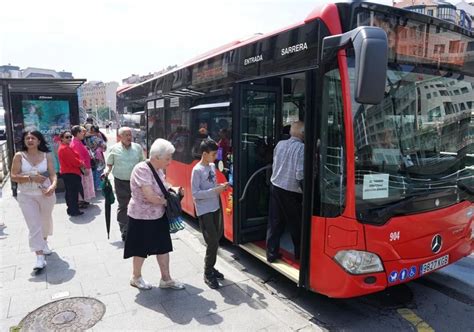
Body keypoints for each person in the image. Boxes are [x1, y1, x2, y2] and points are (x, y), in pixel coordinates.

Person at [124, 138, 185, 290]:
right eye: (168, 158)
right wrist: (168, 202)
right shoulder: (142, 169)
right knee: (140, 249)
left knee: (163, 247)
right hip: (141, 217)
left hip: (158, 215)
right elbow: (150, 196)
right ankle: (136, 277)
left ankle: (166, 279)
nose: (170, 162)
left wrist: (174, 192)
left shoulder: (158, 169)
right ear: (157, 157)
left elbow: (162, 187)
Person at [10, 130, 57, 270]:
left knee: (45, 221)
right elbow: (13, 175)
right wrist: (30, 178)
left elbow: (53, 175)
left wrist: (53, 187)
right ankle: (39, 257)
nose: (30, 140)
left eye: (33, 138)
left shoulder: (46, 155)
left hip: (45, 193)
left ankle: (44, 242)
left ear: (39, 141)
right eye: (27, 138)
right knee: (34, 224)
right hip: (26, 195)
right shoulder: (19, 156)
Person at [191, 139, 228, 289]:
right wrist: (215, 191)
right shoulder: (197, 170)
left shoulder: (212, 166)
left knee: (216, 238)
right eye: (213, 154)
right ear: (205, 154)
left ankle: (211, 267)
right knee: (212, 241)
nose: (215, 157)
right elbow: (195, 193)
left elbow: (212, 186)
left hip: (215, 207)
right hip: (204, 210)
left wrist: (220, 187)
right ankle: (207, 272)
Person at [266, 121, 305, 263]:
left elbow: (275, 163)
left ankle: (271, 254)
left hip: (275, 186)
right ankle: (300, 256)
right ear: (302, 133)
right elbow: (300, 174)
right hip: (292, 192)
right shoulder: (302, 148)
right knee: (297, 225)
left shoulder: (280, 144)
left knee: (275, 222)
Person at [104, 127, 144, 241]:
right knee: (124, 206)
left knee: (138, 204)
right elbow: (109, 164)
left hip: (136, 182)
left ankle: (137, 228)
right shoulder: (114, 149)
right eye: (126, 135)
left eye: (130, 135)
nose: (129, 137)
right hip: (121, 182)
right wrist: (106, 172)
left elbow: (143, 163)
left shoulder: (137, 147)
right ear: (120, 136)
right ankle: (125, 230)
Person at [58, 130, 85, 217]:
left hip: (69, 172)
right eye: (67, 137)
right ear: (62, 138)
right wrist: (81, 163)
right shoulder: (64, 148)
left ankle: (71, 209)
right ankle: (73, 210)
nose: (69, 138)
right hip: (71, 173)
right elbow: (73, 161)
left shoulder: (65, 147)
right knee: (72, 193)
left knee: (70, 192)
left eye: (70, 137)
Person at [70, 125, 95, 207]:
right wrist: (84, 169)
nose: (83, 134)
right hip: (82, 169)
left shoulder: (78, 142)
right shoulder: (75, 143)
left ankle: (83, 200)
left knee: (85, 185)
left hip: (84, 168)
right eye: (82, 132)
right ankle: (81, 201)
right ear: (77, 133)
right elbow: (79, 158)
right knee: (83, 185)